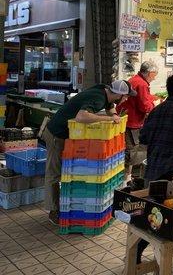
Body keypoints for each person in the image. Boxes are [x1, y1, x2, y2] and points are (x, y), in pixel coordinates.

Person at [43, 80, 137, 224]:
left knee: (64, 172)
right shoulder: (98, 98)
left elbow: (110, 107)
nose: (126, 99)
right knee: (54, 173)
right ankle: (53, 211)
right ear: (118, 94)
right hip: (56, 133)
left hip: (67, 135)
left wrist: (115, 116)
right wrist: (108, 118)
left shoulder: (104, 91)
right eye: (125, 96)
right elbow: (81, 117)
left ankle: (63, 206)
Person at [117, 61, 158, 181]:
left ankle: (127, 178)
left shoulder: (135, 79)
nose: (154, 78)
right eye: (154, 75)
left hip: (126, 119)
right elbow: (145, 106)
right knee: (132, 152)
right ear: (150, 73)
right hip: (132, 123)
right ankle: (128, 180)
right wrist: (155, 106)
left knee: (129, 151)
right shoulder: (142, 84)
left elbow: (142, 99)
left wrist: (152, 98)